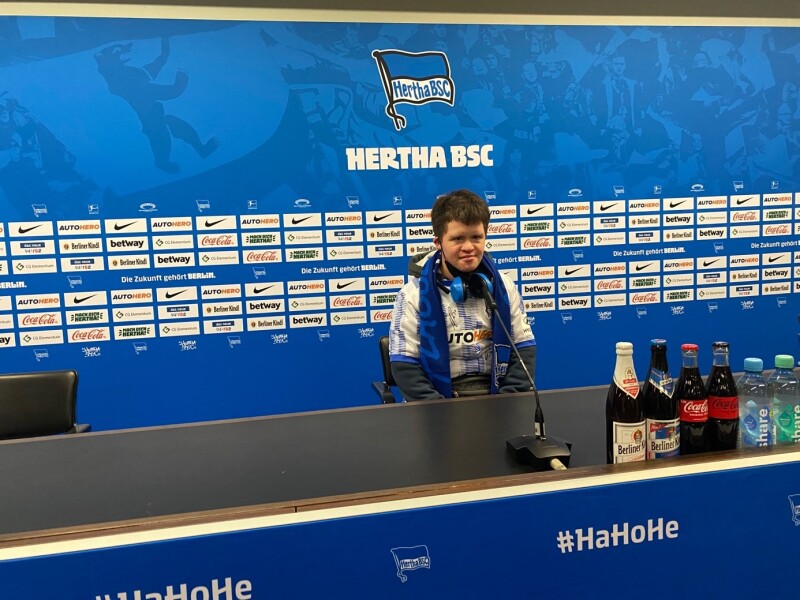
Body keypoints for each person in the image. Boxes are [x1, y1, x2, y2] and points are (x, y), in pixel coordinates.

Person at [389, 189, 537, 400]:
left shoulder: (504, 286)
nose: (469, 247)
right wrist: (439, 411)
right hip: (437, 406)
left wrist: (507, 403)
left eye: (476, 237)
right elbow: (405, 365)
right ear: (438, 243)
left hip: (498, 400)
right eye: (458, 239)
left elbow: (523, 350)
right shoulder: (412, 294)